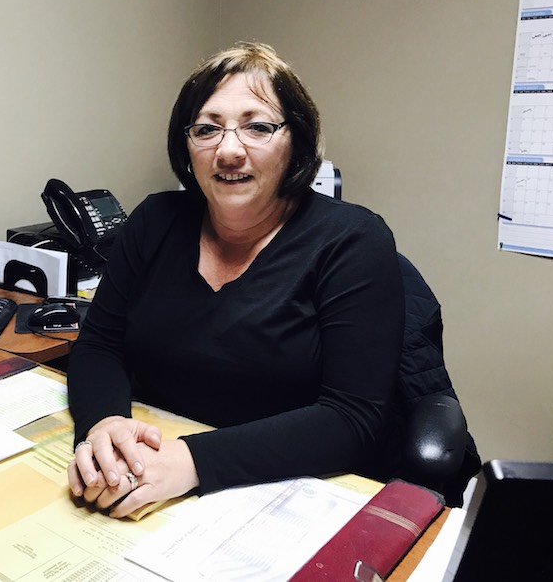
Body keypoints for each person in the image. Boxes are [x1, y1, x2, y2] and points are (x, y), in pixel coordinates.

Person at [66, 42, 406, 518]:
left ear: (297, 142)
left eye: (258, 126)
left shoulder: (353, 240)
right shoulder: (154, 221)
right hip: (150, 471)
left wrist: (191, 461)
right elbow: (100, 344)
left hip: (285, 489)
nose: (228, 151)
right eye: (207, 129)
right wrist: (103, 425)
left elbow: (355, 419)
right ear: (186, 145)